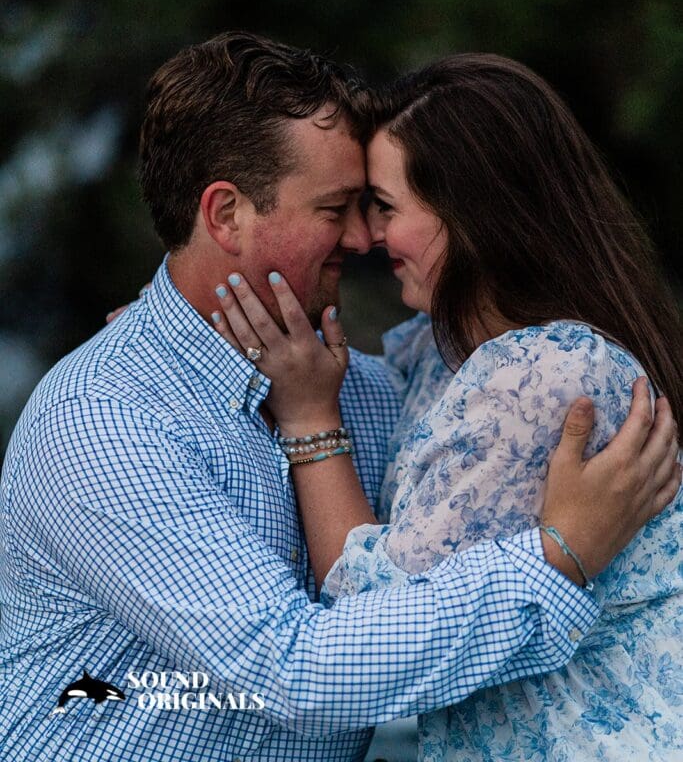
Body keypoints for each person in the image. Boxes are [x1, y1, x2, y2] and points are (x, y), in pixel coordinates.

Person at [0, 35, 677, 762]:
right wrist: (556, 559)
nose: (362, 238)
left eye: (374, 204)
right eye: (338, 207)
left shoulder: (372, 393)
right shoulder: (106, 419)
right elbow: (293, 672)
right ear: (225, 216)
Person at [213, 52, 683, 760]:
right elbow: (356, 374)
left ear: (469, 213)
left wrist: (311, 420)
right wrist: (190, 338)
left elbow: (376, 624)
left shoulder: (545, 376)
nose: (367, 238)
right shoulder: (444, 352)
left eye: (385, 208)